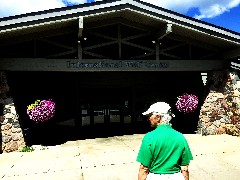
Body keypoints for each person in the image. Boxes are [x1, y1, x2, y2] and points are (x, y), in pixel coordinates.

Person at [136, 102, 193, 180]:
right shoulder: (180, 137)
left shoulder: (149, 137)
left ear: (158, 117)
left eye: (150, 115)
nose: (148, 118)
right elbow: (184, 168)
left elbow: (144, 168)